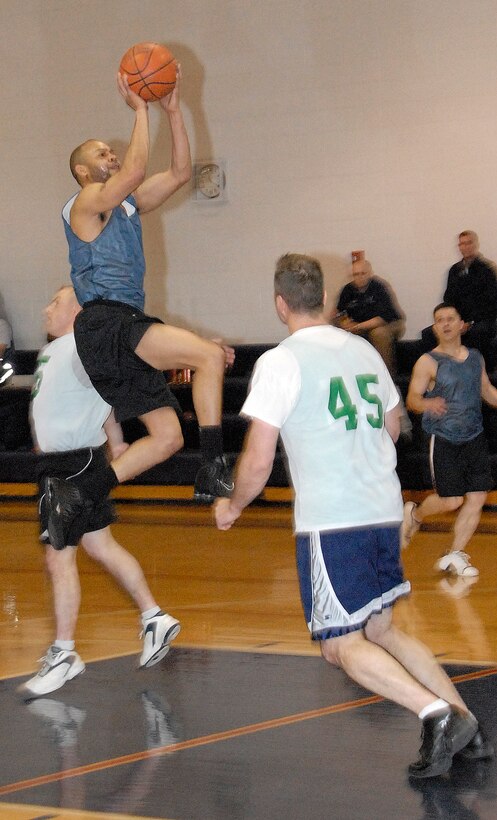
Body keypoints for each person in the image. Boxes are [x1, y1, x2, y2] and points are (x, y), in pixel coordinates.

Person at [215, 253, 493, 779]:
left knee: (341, 645)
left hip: (333, 519)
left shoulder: (281, 361)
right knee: (382, 630)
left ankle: (437, 715)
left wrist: (232, 506)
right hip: (382, 509)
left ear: (280, 304)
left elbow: (256, 460)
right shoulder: (364, 351)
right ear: (323, 298)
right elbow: (392, 427)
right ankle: (468, 724)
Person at [49, 65, 233, 550]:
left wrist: (173, 112)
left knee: (167, 437)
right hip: (106, 321)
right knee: (209, 357)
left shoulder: (126, 205)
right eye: (101, 154)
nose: (112, 155)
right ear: (84, 172)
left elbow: (179, 173)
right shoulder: (84, 203)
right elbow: (133, 170)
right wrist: (139, 107)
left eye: (112, 150)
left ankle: (74, 493)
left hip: (119, 327)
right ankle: (214, 466)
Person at [18, 286, 180, 699]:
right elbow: (102, 402)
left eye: (55, 301)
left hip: (72, 466)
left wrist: (192, 350)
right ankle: (154, 616)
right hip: (60, 462)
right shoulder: (51, 352)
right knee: (101, 546)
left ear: (78, 311)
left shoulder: (84, 347)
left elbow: (117, 384)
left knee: (59, 558)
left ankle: (64, 652)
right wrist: (117, 436)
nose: (46, 307)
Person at [402, 302, 497, 577]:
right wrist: (427, 405)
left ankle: (455, 554)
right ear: (435, 327)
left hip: (474, 436)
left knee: (478, 496)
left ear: (461, 324)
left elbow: (487, 391)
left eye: (450, 318)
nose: (444, 323)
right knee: (452, 500)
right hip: (443, 438)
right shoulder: (428, 361)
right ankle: (415, 515)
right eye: (439, 320)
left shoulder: (475, 357)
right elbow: (412, 399)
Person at [421, 231, 497, 361]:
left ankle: (478, 371)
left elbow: (491, 303)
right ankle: (438, 370)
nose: (465, 247)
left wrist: (469, 323)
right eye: (462, 244)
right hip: (458, 320)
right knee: (429, 333)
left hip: (480, 321)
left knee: (477, 333)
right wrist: (451, 320)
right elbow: (448, 300)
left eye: (468, 243)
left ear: (475, 245)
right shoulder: (454, 270)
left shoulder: (487, 270)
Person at [333, 258, 405, 377]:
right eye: (356, 274)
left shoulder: (379, 287)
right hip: (359, 327)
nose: (359, 277)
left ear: (370, 273)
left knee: (378, 333)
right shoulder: (347, 290)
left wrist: (357, 326)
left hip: (389, 324)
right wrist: (343, 323)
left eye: (363, 273)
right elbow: (339, 313)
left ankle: (387, 376)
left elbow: (384, 317)